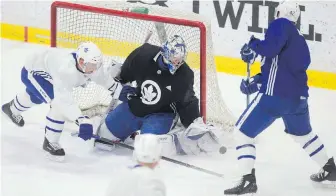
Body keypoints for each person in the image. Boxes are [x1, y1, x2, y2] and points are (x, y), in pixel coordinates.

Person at [224, 1, 336, 195]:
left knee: (242, 133)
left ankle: (247, 180)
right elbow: (281, 70)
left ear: (280, 12)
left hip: (274, 97)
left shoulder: (280, 24)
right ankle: (330, 169)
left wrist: (252, 44)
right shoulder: (299, 40)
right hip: (298, 100)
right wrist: (256, 83)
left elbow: (269, 50)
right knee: (303, 135)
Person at [93, 35, 223, 156]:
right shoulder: (143, 55)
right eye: (174, 58)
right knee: (103, 139)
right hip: (136, 104)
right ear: (165, 53)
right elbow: (125, 74)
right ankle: (128, 133)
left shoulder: (184, 74)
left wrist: (194, 123)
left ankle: (176, 141)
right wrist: (119, 83)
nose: (177, 63)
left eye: (180, 59)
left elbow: (187, 102)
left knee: (146, 150)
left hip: (162, 114)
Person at [1, 42, 120, 162]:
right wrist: (81, 120)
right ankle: (50, 142)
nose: (94, 69)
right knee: (57, 107)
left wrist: (119, 90)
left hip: (47, 71)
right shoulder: (66, 70)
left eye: (96, 65)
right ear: (81, 61)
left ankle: (11, 109)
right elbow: (63, 102)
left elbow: (102, 77)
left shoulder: (90, 66)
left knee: (36, 96)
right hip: (33, 73)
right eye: (91, 66)